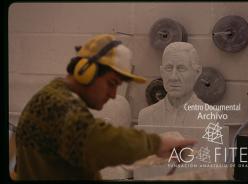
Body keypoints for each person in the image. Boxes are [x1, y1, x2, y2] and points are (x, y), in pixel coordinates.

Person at [14, 34, 196, 180]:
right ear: (85, 72)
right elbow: (99, 140)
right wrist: (157, 143)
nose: (113, 94)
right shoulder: (55, 105)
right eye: (111, 83)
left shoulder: (59, 99)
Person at [138, 42, 218, 127]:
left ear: (197, 72)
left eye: (181, 69)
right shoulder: (145, 116)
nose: (173, 77)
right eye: (169, 68)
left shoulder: (211, 116)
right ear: (162, 72)